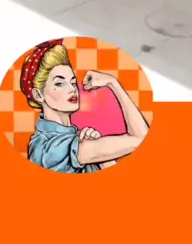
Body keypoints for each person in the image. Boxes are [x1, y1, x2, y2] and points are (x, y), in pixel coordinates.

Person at [20, 40, 149, 173]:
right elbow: (141, 138)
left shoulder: (76, 139)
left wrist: (101, 156)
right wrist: (113, 83)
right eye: (60, 83)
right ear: (38, 95)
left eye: (73, 82)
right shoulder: (48, 148)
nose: (72, 89)